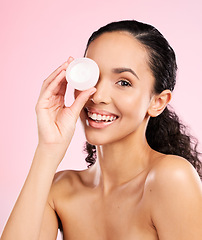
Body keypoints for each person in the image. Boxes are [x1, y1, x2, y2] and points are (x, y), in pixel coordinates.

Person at [1, 20, 202, 240]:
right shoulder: (60, 189)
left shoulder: (172, 178)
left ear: (158, 102)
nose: (97, 96)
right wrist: (48, 149)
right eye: (93, 76)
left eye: (124, 82)